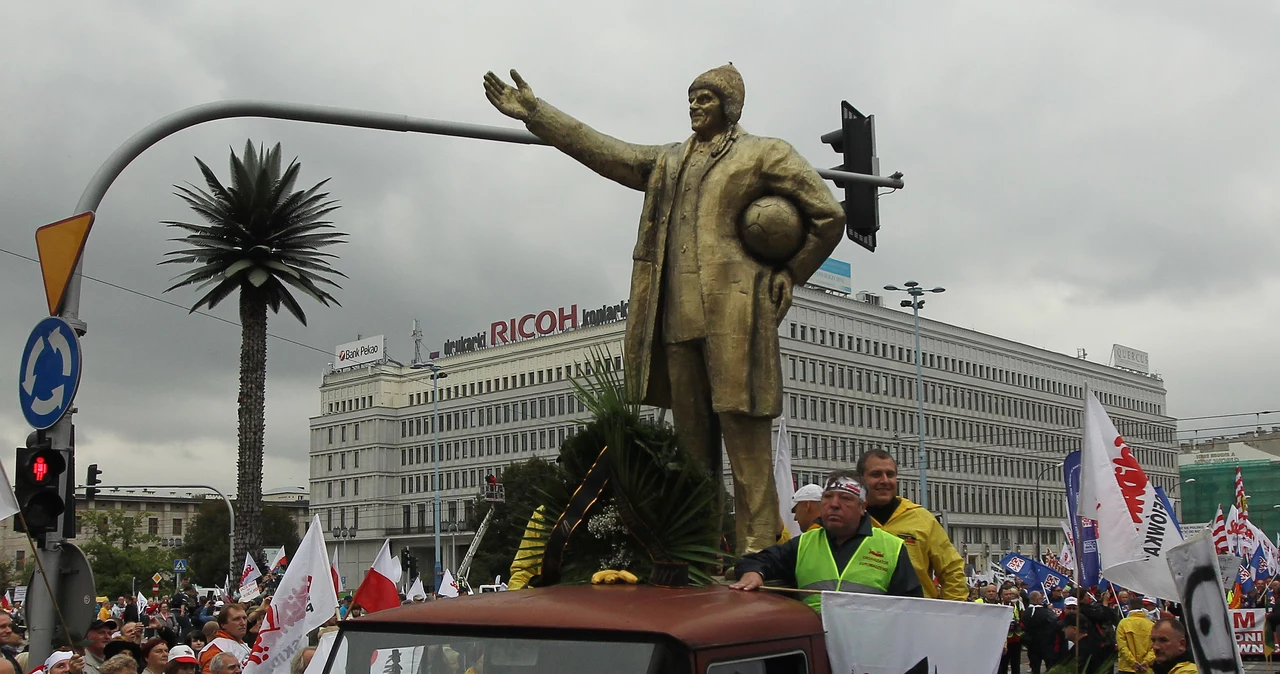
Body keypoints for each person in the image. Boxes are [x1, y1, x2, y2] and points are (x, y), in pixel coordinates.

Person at [484, 64, 845, 555]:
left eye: (706, 98)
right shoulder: (672, 161)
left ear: (731, 106)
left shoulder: (764, 153)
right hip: (677, 319)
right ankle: (698, 553)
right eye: (692, 98)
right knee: (692, 454)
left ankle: (758, 555)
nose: (695, 106)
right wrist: (536, 113)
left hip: (736, 315)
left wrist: (791, 271)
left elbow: (829, 214)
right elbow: (610, 152)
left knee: (747, 444)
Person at [729, 471, 922, 610]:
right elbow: (756, 560)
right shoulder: (804, 543)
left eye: (845, 498)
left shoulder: (892, 547)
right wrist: (754, 572)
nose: (834, 505)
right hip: (818, 651)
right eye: (827, 497)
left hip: (869, 650)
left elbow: (911, 608)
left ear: (862, 507)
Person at [857, 450, 968, 600]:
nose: (884, 480)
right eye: (876, 474)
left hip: (916, 615)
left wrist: (953, 612)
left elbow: (952, 569)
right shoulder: (851, 519)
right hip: (866, 614)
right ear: (860, 479)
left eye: (890, 475)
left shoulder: (922, 519)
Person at [198, 605, 248, 674]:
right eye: (236, 619)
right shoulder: (214, 649)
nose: (243, 623)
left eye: (244, 618)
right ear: (223, 624)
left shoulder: (240, 643)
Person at [1021, 591, 1060, 674]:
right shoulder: (1045, 612)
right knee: (1050, 667)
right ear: (1038, 599)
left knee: (1035, 668)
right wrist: (1050, 610)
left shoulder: (1026, 612)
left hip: (1031, 644)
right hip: (1046, 644)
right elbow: (1054, 621)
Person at [1116, 597, 1155, 674]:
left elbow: (1122, 646)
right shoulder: (1151, 625)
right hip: (1145, 669)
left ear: (1129, 607)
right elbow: (1154, 647)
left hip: (1126, 668)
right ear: (1143, 607)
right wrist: (1146, 661)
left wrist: (1132, 662)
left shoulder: (1123, 623)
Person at [999, 587, 1024, 674]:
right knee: (1003, 664)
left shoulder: (1017, 605)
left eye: (1010, 594)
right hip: (1004, 640)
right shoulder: (998, 606)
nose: (1009, 596)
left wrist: (1018, 625)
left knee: (1016, 663)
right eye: (1006, 594)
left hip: (1016, 638)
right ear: (1001, 596)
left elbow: (1021, 618)